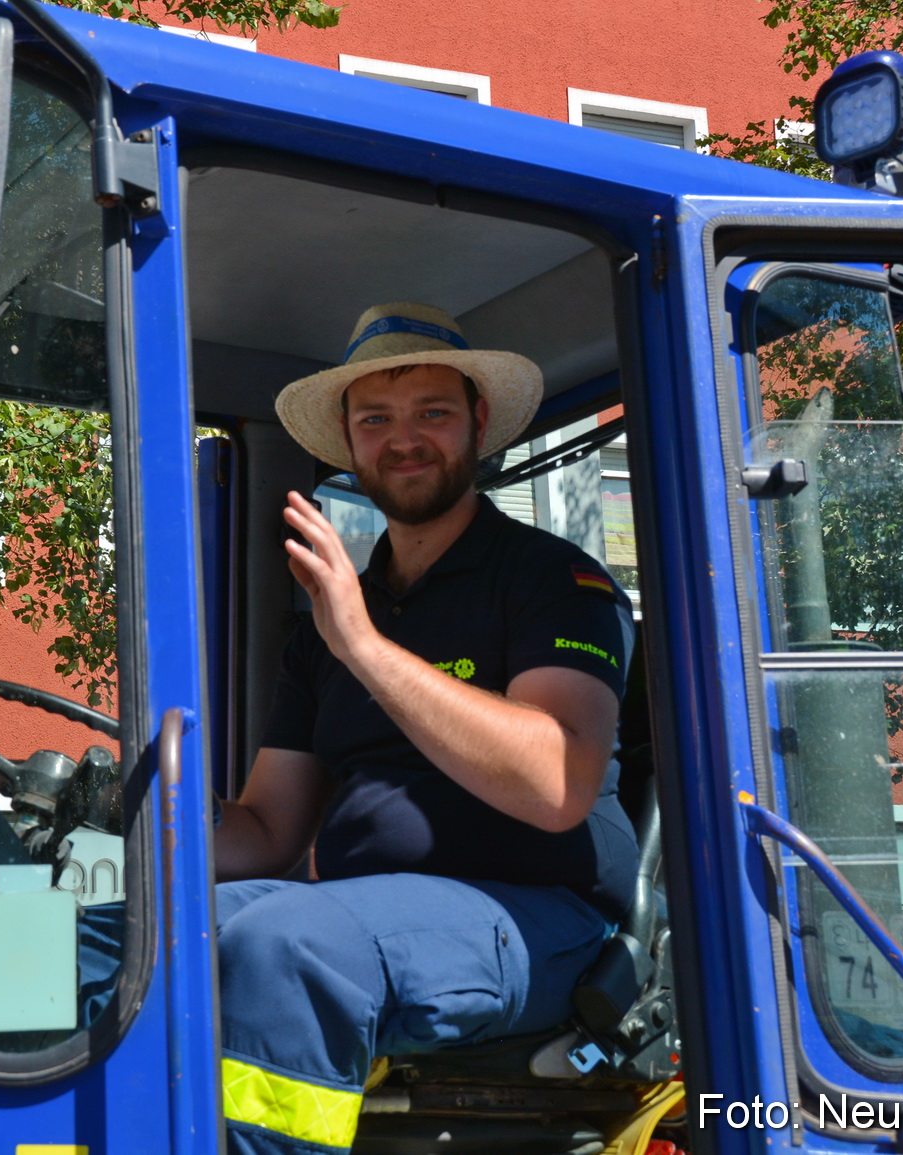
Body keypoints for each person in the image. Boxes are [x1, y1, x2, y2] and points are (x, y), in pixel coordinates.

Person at [212, 302, 639, 1155]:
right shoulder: (333, 619)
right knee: (131, 931)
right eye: (375, 419)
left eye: (432, 413)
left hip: (535, 917)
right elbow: (265, 831)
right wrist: (138, 811)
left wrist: (366, 647)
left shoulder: (553, 579)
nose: (403, 439)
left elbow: (559, 781)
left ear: (478, 423)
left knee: (285, 945)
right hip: (360, 910)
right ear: (349, 441)